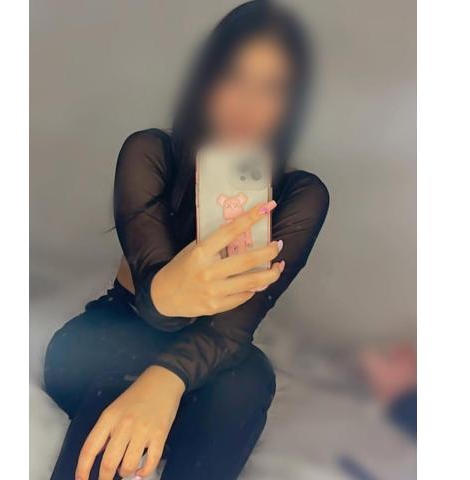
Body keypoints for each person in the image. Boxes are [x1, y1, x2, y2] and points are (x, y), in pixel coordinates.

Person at [44, 2, 330, 479]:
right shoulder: (150, 152)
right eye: (234, 77)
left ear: (291, 104)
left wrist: (167, 380)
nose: (248, 103)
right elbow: (154, 309)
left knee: (249, 378)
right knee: (128, 377)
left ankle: (161, 415)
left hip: (210, 349)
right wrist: (167, 293)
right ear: (206, 79)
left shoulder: (301, 195)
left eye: (272, 88)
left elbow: (233, 328)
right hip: (110, 332)